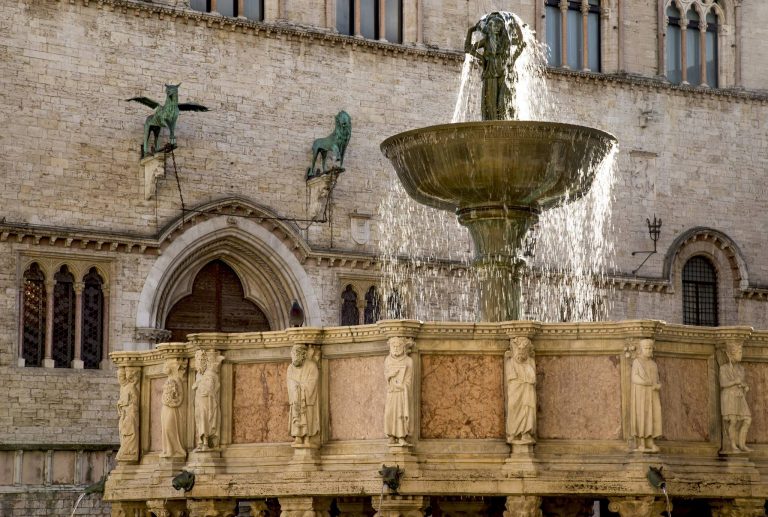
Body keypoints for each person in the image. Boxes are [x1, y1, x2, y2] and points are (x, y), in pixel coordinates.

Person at [464, 12, 526, 120]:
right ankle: (492, 126)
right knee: (491, 104)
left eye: (499, 26)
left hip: (505, 73)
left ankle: (507, 124)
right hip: (490, 73)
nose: (497, 28)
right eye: (494, 26)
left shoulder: (506, 41)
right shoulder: (486, 41)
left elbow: (521, 44)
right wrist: (471, 31)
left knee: (503, 103)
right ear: (490, 27)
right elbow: (468, 48)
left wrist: (517, 27)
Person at [630, 339, 662, 452]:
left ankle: (650, 441)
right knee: (642, 416)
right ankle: (642, 442)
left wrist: (658, 385)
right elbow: (634, 377)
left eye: (650, 348)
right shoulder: (637, 362)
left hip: (652, 394)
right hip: (641, 393)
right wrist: (646, 382)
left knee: (652, 416)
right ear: (641, 349)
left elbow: (657, 380)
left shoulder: (653, 364)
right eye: (646, 348)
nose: (648, 350)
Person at [720, 341, 752, 452]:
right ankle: (732, 445)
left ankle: (742, 444)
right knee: (733, 421)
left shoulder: (741, 369)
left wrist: (745, 386)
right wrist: (735, 382)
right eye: (739, 352)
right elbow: (723, 383)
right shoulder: (724, 368)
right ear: (732, 354)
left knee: (747, 419)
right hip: (729, 396)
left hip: (739, 396)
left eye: (741, 352)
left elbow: (742, 382)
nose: (741, 354)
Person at [287, 344, 320, 446]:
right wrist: (295, 388)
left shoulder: (311, 366)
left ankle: (307, 437)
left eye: (297, 355)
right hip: (296, 398)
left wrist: (302, 388)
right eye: (293, 355)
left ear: (303, 355)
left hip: (307, 397)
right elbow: (289, 382)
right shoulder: (290, 368)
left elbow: (313, 381)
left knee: (308, 415)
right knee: (296, 415)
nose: (294, 358)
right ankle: (298, 436)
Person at [505, 336, 536, 444]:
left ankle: (525, 433)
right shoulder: (510, 362)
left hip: (527, 391)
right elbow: (511, 378)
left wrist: (526, 376)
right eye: (519, 349)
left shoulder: (530, 362)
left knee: (527, 409)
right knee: (512, 406)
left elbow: (532, 378)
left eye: (523, 350)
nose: (521, 352)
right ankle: (513, 433)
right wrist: (525, 380)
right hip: (515, 390)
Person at [384, 337, 414, 446]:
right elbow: (386, 376)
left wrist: (403, 386)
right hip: (391, 392)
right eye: (394, 346)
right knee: (389, 413)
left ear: (403, 347)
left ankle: (401, 436)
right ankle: (391, 435)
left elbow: (409, 380)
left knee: (400, 414)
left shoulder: (408, 361)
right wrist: (390, 375)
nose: (396, 348)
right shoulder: (388, 360)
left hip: (401, 393)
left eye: (398, 346)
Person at [193, 349, 223, 451]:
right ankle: (200, 441)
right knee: (199, 418)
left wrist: (202, 386)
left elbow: (214, 387)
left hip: (207, 400)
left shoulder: (210, 374)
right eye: (198, 360)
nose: (200, 362)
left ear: (206, 361)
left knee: (205, 418)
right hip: (199, 400)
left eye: (202, 360)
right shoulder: (199, 374)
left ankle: (206, 442)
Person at [161, 359, 186, 458]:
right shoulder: (167, 380)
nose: (164, 369)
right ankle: (168, 450)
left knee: (169, 428)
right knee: (165, 429)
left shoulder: (178, 380)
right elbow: (163, 396)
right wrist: (165, 401)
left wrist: (174, 403)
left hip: (172, 409)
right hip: (165, 408)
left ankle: (174, 449)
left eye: (166, 367)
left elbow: (181, 396)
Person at [116, 367, 140, 461]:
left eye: (121, 377)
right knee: (123, 431)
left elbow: (135, 401)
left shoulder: (131, 387)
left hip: (131, 412)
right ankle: (125, 450)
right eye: (118, 377)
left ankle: (130, 451)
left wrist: (125, 403)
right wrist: (120, 404)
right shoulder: (123, 388)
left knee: (130, 431)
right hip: (124, 413)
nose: (119, 379)